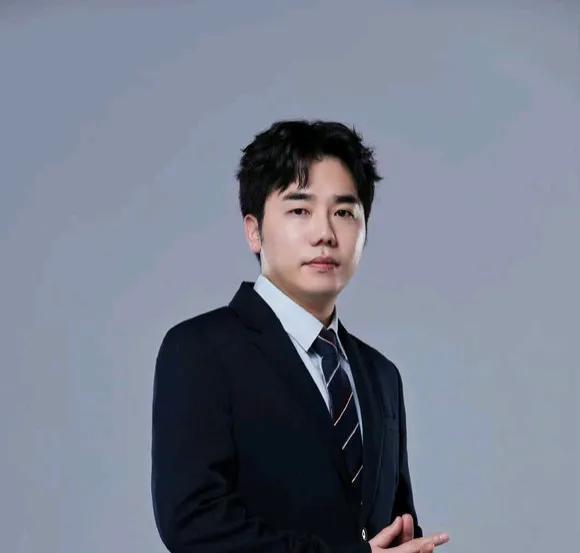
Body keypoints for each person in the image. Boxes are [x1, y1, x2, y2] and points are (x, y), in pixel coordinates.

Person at [151, 120, 450, 553]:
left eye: (344, 212)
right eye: (300, 210)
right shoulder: (200, 350)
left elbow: (390, 525)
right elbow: (194, 522)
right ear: (254, 230)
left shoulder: (382, 375)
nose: (325, 233)